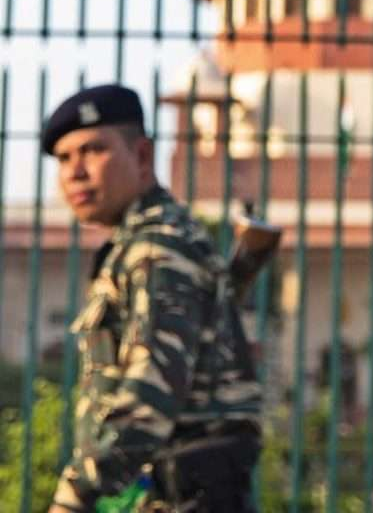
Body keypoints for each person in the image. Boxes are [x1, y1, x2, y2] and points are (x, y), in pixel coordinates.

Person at [44, 84, 262, 513]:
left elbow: (149, 391)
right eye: (64, 159)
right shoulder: (141, 243)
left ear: (142, 155)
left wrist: (74, 497)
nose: (75, 172)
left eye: (93, 150)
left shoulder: (160, 248)